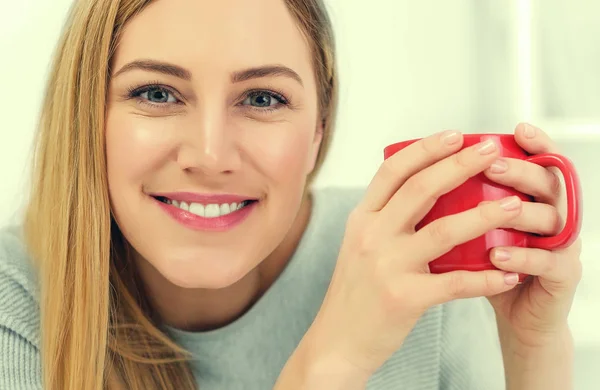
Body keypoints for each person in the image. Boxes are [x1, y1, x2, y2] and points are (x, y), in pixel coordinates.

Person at [0, 0, 582, 389]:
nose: (209, 156)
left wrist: (534, 348)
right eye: (156, 93)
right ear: (87, 117)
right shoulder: (14, 301)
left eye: (262, 99)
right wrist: (333, 362)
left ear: (318, 134)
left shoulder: (411, 256)